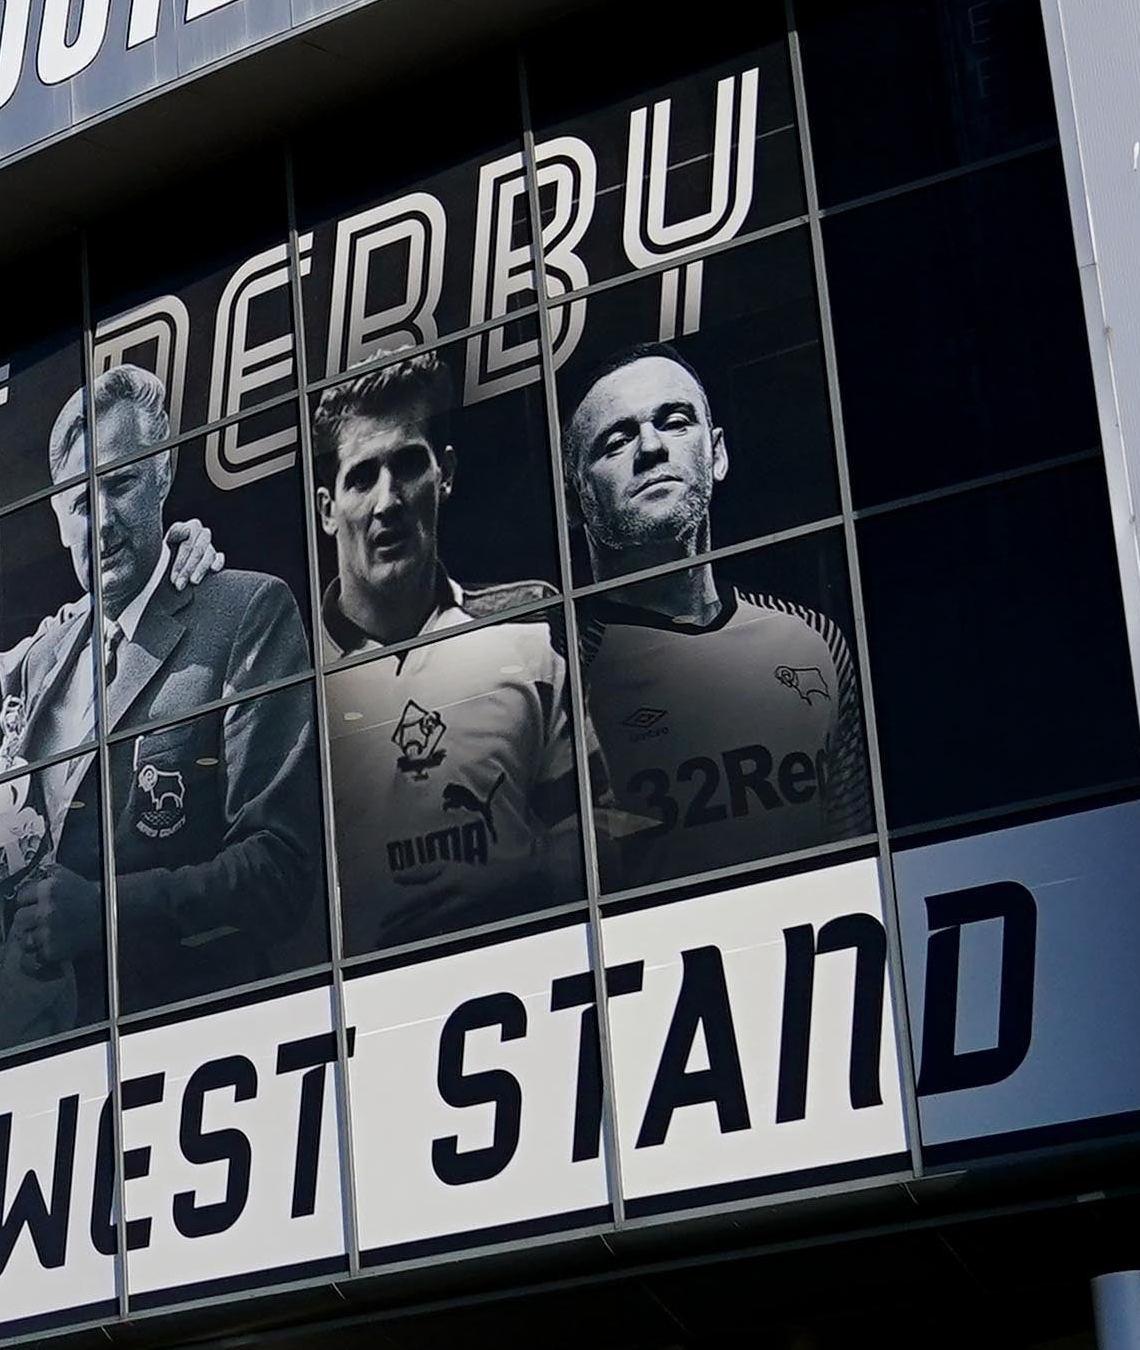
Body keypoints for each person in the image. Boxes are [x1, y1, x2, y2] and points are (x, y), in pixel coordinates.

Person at [0, 362, 319, 1025]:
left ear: (162, 475)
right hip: (42, 1061)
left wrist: (108, 912)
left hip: (198, 1045)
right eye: (77, 503)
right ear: (59, 522)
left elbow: (281, 872)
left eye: (119, 484)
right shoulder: (47, 661)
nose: (100, 522)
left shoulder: (245, 613)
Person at [560, 340, 865, 892]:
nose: (651, 447)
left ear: (716, 454)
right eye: (617, 439)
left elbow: (855, 843)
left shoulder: (813, 641)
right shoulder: (555, 680)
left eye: (675, 422)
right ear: (575, 500)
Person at [309, 352, 582, 957]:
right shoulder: (286, 678)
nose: (388, 502)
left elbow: (606, 834)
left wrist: (524, 875)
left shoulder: (529, 630)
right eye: (361, 477)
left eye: (408, 465)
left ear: (446, 474)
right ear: (327, 509)